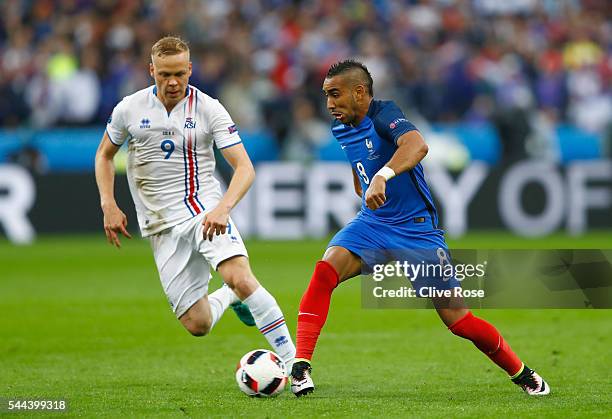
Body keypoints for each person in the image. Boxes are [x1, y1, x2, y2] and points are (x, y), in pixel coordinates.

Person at [289, 60, 550, 397]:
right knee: (325, 271)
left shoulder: (385, 114)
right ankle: (301, 366)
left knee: (458, 320)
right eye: (326, 96)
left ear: (359, 92)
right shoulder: (341, 128)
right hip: (373, 224)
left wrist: (382, 176)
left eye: (335, 95)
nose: (329, 104)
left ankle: (522, 372)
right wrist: (367, 184)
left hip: (416, 231)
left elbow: (417, 146)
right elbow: (360, 165)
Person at [94, 36, 296, 369]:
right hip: (159, 225)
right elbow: (104, 155)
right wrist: (108, 203)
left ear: (189, 69)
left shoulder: (209, 108)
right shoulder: (129, 109)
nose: (172, 82)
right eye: (164, 74)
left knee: (241, 277)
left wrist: (222, 207)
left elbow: (244, 168)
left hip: (203, 210)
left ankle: (295, 364)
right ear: (151, 71)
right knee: (197, 324)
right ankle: (230, 296)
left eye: (179, 73)